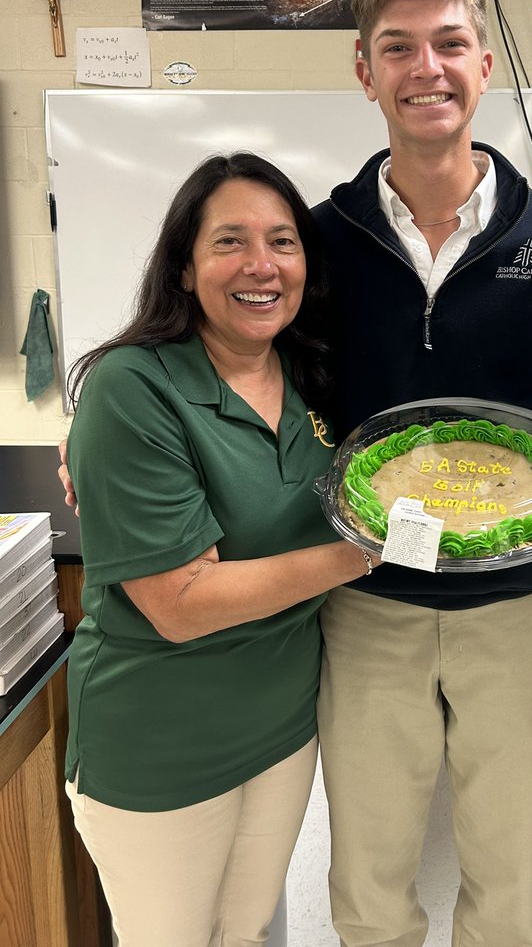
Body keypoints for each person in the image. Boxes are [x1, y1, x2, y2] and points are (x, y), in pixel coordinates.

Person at [312, 0, 532, 947]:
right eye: (398, 47)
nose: (424, 68)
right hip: (366, 601)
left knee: (506, 869)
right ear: (365, 71)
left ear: (485, 67)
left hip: (515, 610)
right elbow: (236, 359)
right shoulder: (317, 241)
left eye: (449, 45)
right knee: (369, 874)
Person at [62, 152, 377, 947]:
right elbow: (179, 605)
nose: (261, 265)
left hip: (280, 732)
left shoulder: (312, 378)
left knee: (243, 933)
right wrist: (365, 553)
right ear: (184, 267)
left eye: (282, 241)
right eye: (230, 242)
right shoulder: (134, 387)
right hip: (160, 744)